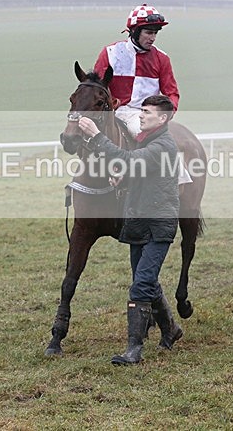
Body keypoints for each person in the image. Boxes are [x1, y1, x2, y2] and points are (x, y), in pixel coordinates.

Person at [78, 95, 183, 365]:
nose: (141, 114)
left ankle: (134, 350)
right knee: (145, 279)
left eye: (147, 112)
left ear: (163, 118)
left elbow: (128, 158)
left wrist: (97, 135)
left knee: (141, 285)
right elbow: (136, 167)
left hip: (159, 225)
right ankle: (170, 328)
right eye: (142, 110)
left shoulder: (163, 145)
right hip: (138, 223)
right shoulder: (147, 142)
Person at [94, 4, 180, 138]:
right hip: (111, 113)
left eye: (155, 33)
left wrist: (165, 115)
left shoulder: (162, 58)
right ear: (134, 31)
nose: (153, 38)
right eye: (148, 32)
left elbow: (172, 93)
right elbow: (96, 89)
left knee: (140, 132)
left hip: (143, 116)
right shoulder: (110, 53)